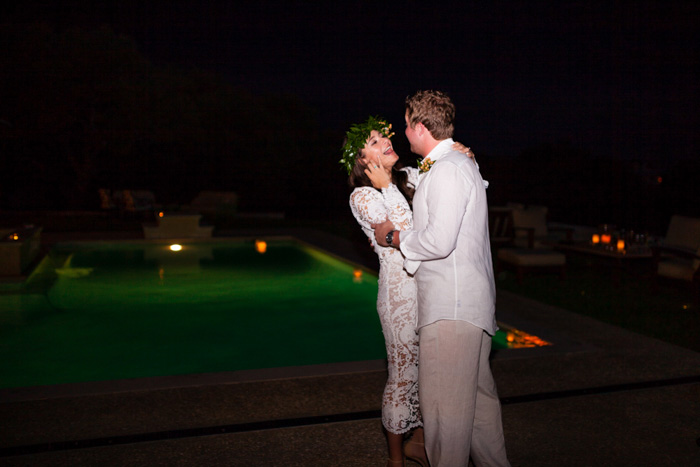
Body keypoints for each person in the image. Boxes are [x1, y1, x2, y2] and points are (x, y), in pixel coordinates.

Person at [373, 90, 510, 467]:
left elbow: (438, 241)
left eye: (405, 125)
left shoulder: (449, 167)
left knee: (444, 423)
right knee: (479, 415)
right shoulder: (449, 164)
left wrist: (394, 237)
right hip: (466, 308)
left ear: (419, 127)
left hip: (452, 311)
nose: (402, 133)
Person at [342, 115, 473, 467]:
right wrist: (386, 187)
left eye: (382, 136)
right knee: (402, 375)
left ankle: (419, 444)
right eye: (373, 142)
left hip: (433, 291)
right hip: (399, 296)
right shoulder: (362, 197)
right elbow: (405, 233)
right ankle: (396, 459)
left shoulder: (411, 177)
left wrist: (458, 153)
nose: (386, 140)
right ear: (362, 161)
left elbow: (444, 197)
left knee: (429, 374)